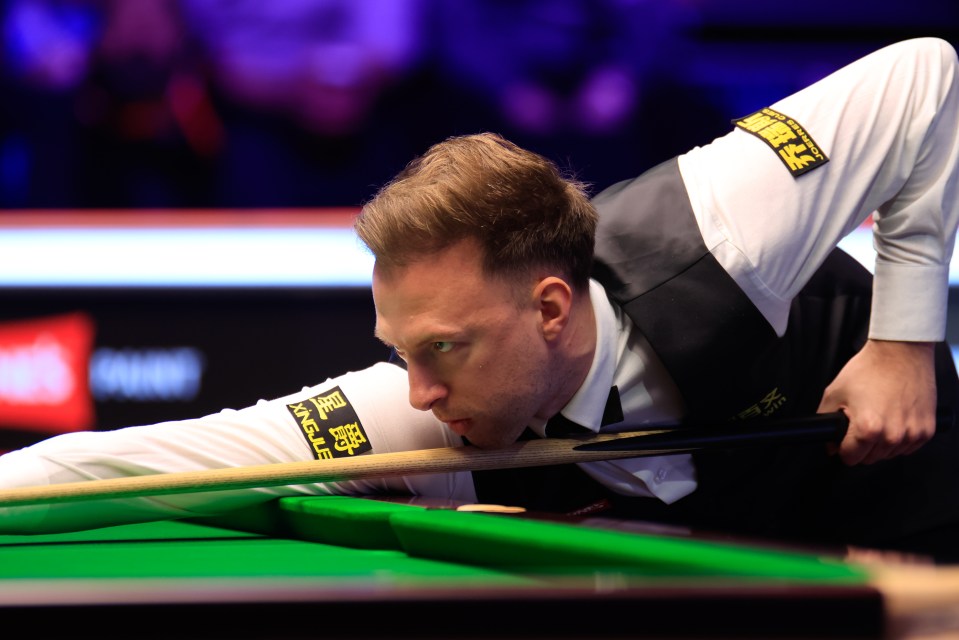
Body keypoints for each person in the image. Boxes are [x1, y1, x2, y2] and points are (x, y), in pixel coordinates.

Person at [1, 37, 958, 562]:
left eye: (442, 350)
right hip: (720, 564)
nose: (414, 391)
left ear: (549, 308)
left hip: (890, 479)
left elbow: (924, 76)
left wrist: (904, 343)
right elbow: (132, 463)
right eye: (399, 349)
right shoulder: (419, 417)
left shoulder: (719, 223)